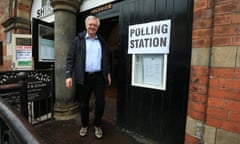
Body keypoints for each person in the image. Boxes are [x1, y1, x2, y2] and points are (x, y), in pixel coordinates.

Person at [65, 15, 111, 139]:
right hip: (83, 77)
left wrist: (108, 73)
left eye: (95, 25)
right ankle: (84, 125)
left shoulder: (102, 41)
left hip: (99, 77)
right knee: (84, 104)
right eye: (90, 24)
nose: (92, 27)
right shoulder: (78, 40)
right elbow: (70, 58)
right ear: (86, 25)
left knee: (100, 103)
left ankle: (97, 125)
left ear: (98, 27)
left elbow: (106, 59)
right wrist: (69, 75)